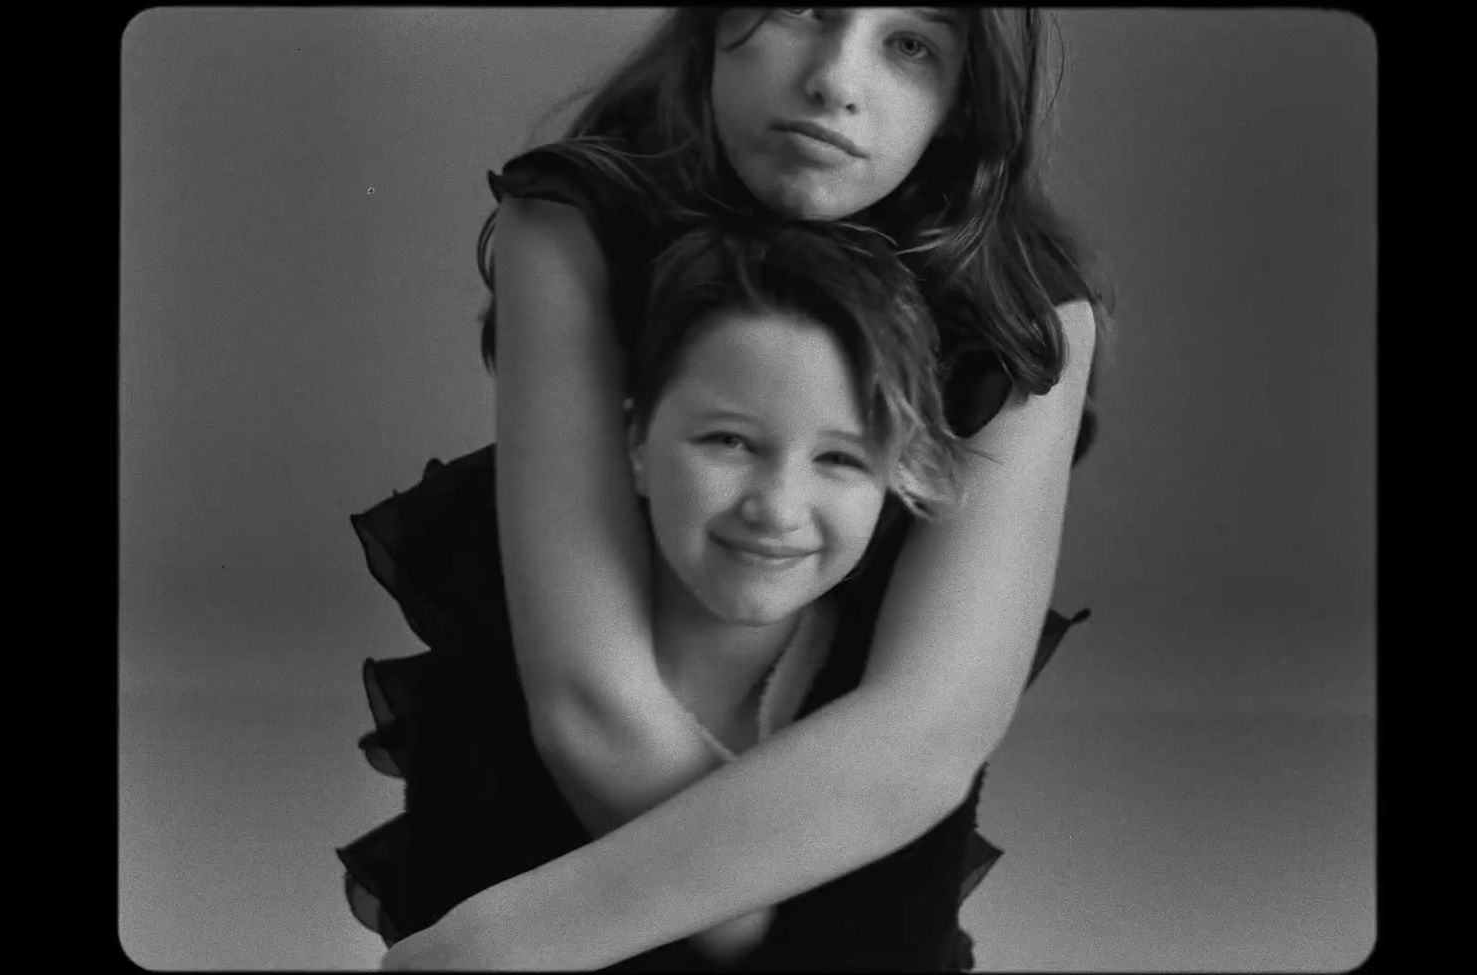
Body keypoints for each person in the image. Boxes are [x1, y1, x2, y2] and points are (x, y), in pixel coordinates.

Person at [340, 7, 1107, 970]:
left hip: (841, 815)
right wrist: (504, 938)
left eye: (910, 44)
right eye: (802, 10)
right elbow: (590, 703)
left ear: (963, 102)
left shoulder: (1029, 314)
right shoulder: (575, 221)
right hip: (560, 796)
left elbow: (926, 732)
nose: (835, 78)